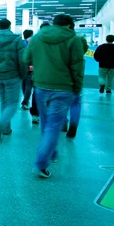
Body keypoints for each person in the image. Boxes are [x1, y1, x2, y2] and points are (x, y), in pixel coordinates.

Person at [26, 14, 85, 178]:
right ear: (68, 25)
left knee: (46, 123)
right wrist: (77, 88)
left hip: (40, 86)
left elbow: (26, 58)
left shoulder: (37, 38)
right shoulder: (74, 39)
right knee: (53, 126)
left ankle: (50, 152)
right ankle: (40, 163)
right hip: (63, 88)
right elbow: (77, 68)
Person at [0, 19, 27, 139]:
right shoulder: (16, 40)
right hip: (13, 76)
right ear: (9, 26)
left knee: (4, 102)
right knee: (12, 103)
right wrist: (23, 74)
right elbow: (23, 60)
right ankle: (1, 124)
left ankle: (6, 128)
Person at [20, 30, 34, 110]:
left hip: (22, 67)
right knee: (29, 85)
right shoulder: (32, 43)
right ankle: (25, 102)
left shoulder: (21, 43)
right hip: (30, 66)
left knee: (24, 84)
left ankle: (25, 100)